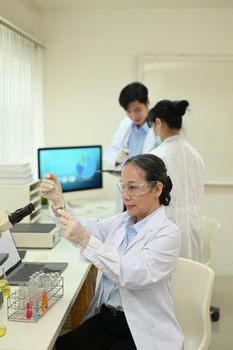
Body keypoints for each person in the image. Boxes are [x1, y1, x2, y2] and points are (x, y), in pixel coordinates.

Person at [40, 154, 184, 350]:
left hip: (141, 328)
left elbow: (133, 274)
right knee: (64, 345)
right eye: (123, 186)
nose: (125, 195)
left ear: (157, 189)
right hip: (108, 318)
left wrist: (85, 240)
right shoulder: (124, 220)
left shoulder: (168, 234)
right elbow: (90, 229)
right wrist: (59, 203)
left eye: (133, 187)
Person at [148, 99, 205, 262]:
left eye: (153, 126)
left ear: (158, 123)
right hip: (193, 227)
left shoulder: (158, 156)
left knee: (170, 281)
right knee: (193, 277)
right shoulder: (196, 155)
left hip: (167, 228)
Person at [104, 82, 160, 169]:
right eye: (129, 111)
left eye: (137, 110)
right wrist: (118, 159)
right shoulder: (125, 123)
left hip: (148, 180)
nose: (134, 116)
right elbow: (111, 151)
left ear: (147, 102)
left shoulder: (158, 126)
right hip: (126, 180)